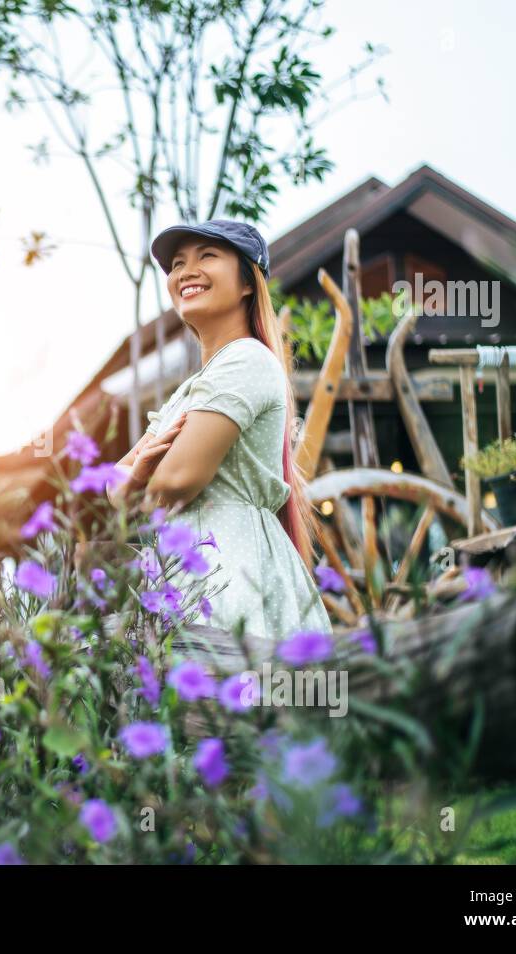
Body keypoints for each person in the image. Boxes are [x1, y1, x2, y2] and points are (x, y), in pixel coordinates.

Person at [108, 219, 332, 663]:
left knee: (231, 695)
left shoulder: (247, 360)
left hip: (230, 570)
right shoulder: (194, 387)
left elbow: (177, 480)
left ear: (248, 282)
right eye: (177, 264)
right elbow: (113, 483)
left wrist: (140, 479)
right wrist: (136, 481)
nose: (185, 272)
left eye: (207, 256)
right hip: (183, 571)